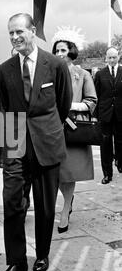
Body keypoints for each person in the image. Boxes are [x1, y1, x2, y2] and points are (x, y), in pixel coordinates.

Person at [0, 13, 72, 271]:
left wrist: (47, 130)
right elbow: (2, 107)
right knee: (13, 204)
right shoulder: (4, 69)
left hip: (47, 144)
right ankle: (16, 263)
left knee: (45, 206)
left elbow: (63, 104)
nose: (15, 37)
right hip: (16, 146)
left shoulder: (55, 65)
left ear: (33, 30)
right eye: (10, 33)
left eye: (19, 31)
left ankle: (42, 254)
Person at [51, 27, 97, 233]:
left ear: (71, 51)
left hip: (72, 129)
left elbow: (92, 101)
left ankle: (66, 208)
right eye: (56, 51)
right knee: (54, 172)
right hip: (50, 130)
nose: (59, 54)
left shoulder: (83, 74)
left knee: (69, 172)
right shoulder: (48, 72)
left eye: (63, 50)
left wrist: (71, 105)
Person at [94, 47, 122, 184]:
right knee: (105, 145)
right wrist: (95, 115)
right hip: (105, 114)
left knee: (120, 141)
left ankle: (119, 160)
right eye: (109, 57)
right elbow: (96, 96)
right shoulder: (100, 74)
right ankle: (107, 174)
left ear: (118, 57)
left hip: (120, 114)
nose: (112, 60)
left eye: (114, 57)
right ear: (106, 58)